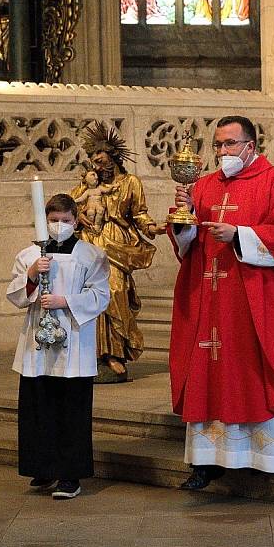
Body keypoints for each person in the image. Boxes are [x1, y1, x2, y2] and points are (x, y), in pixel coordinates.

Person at [168, 115, 274, 490]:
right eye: (217, 144)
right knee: (209, 373)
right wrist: (184, 222)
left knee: (251, 371)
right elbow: (187, 243)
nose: (223, 151)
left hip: (258, 301)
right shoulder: (204, 186)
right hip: (212, 299)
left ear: (251, 145)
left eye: (230, 143)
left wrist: (240, 235)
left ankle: (264, 458)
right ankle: (205, 461)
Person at [7, 194, 111, 500]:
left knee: (71, 409)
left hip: (74, 342)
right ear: (44, 220)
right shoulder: (29, 255)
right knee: (38, 405)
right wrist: (30, 277)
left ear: (76, 221)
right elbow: (14, 295)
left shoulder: (91, 255)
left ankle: (70, 475)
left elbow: (101, 296)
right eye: (53, 220)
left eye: (65, 221)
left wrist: (66, 301)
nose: (59, 226)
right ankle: (43, 466)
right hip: (37, 344)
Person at [70, 122, 168, 382]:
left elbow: (139, 213)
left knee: (115, 293)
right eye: (94, 163)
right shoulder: (86, 184)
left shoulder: (130, 183)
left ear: (113, 159)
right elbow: (71, 207)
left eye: (102, 162)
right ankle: (93, 354)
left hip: (117, 245)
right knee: (87, 295)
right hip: (90, 243)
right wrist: (78, 216)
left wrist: (151, 227)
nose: (98, 168)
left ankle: (115, 353)